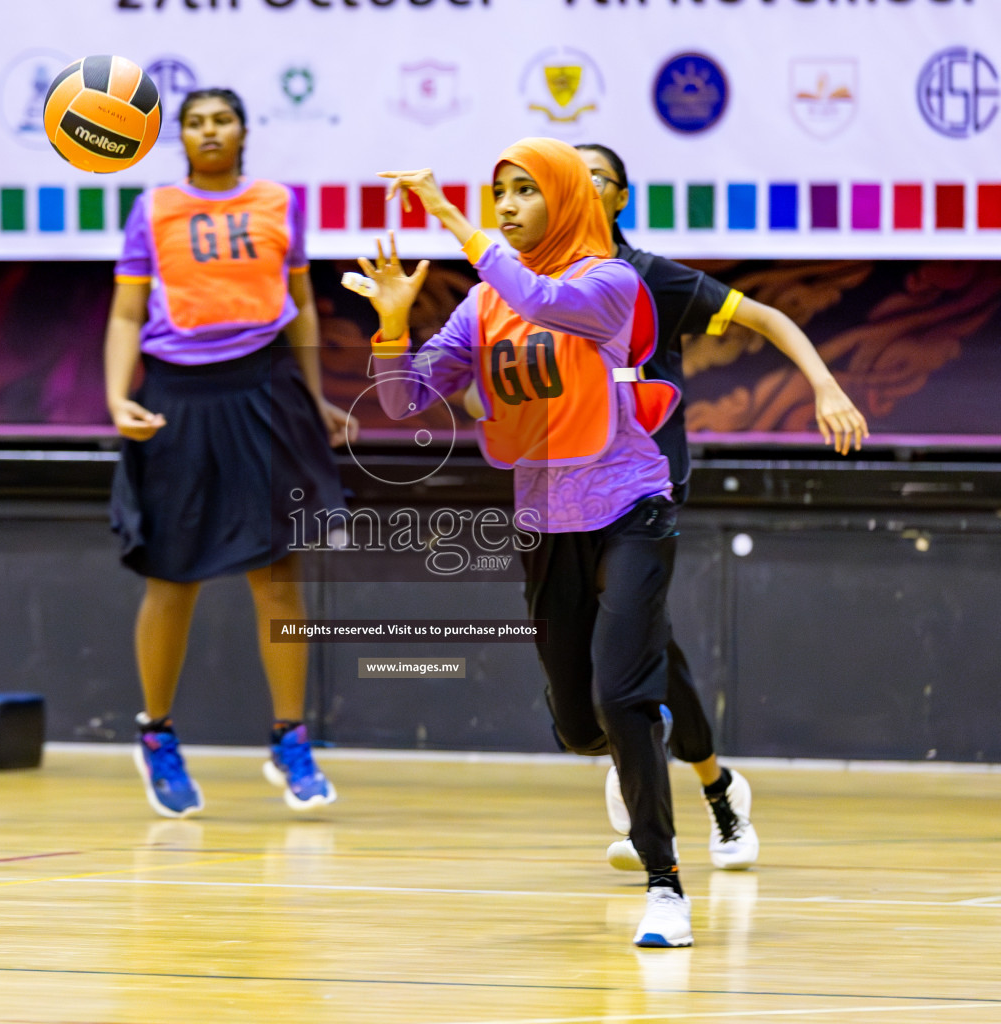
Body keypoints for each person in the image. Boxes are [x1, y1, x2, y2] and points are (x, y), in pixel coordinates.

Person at [354, 138, 702, 947]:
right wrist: (394, 325)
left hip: (631, 509)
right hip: (548, 525)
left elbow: (545, 303)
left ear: (569, 199)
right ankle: (625, 757)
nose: (506, 206)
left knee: (624, 696)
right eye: (497, 193)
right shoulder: (482, 305)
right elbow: (405, 403)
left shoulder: (609, 284)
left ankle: (665, 885)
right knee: (582, 727)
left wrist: (446, 217)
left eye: (524, 191)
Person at [571, 142, 869, 874]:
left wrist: (825, 387)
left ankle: (653, 817)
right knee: (642, 652)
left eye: (593, 178)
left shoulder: (650, 280)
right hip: (566, 493)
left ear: (619, 198)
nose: (576, 189)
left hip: (645, 486)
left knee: (627, 656)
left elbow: (767, 317)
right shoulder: (533, 288)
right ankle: (718, 786)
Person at [104, 88, 356, 818]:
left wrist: (312, 397)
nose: (209, 130)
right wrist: (119, 398)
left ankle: (289, 738)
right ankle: (156, 736)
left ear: (244, 130)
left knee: (278, 572)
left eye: (221, 119)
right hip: (179, 396)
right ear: (180, 136)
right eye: (195, 121)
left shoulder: (279, 201)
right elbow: (125, 311)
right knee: (171, 577)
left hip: (266, 386)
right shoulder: (154, 209)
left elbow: (304, 303)